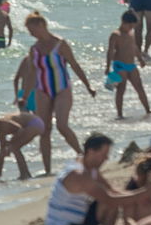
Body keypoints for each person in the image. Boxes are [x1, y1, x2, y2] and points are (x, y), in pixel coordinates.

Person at [14, 14, 96, 171]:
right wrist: (23, 96)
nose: (31, 34)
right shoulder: (34, 49)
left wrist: (88, 86)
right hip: (42, 90)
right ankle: (47, 170)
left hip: (62, 89)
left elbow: (74, 65)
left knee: (62, 125)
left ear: (41, 25)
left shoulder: (60, 44)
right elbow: (32, 74)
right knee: (44, 131)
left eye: (32, 30)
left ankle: (82, 156)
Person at [42, 133, 113, 225]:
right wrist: (145, 194)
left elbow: (111, 193)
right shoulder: (78, 174)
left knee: (109, 206)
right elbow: (111, 198)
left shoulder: (90, 169)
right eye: (104, 154)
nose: (107, 158)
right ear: (91, 151)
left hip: (75, 221)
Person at [0, 106, 40, 179]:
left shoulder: (4, 123)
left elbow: (20, 129)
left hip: (35, 123)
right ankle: (26, 173)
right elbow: (2, 153)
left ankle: (24, 174)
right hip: (34, 125)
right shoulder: (1, 134)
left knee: (14, 148)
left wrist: (11, 142)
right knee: (14, 148)